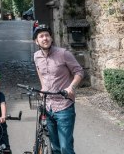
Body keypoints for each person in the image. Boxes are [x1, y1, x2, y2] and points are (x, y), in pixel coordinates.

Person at [33, 24, 83, 154]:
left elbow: (79, 72)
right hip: (48, 106)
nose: (45, 38)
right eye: (41, 36)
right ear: (36, 41)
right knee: (55, 147)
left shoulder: (63, 54)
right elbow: (40, 70)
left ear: (51, 38)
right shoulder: (36, 56)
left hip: (64, 106)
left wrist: (71, 87)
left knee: (65, 147)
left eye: (47, 35)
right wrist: (43, 86)